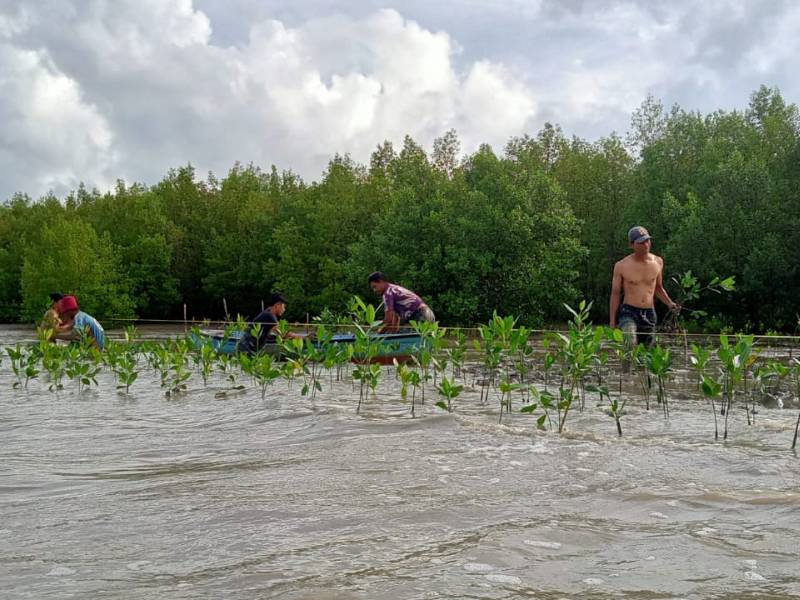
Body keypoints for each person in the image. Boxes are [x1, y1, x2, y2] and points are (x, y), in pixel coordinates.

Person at [609, 226, 679, 348]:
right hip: (628, 312)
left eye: (647, 240)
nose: (646, 244)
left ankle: (641, 368)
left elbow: (658, 288)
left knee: (647, 353)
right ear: (632, 245)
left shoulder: (658, 262)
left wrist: (670, 304)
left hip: (649, 313)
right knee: (630, 342)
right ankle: (626, 368)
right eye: (641, 242)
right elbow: (615, 294)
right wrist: (612, 320)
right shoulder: (621, 266)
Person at [368, 272, 435, 332]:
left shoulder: (387, 293)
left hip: (420, 315)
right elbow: (394, 321)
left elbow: (388, 319)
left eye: (375, 287)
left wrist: (378, 333)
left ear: (381, 281)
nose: (374, 290)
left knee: (404, 333)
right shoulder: (394, 289)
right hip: (428, 314)